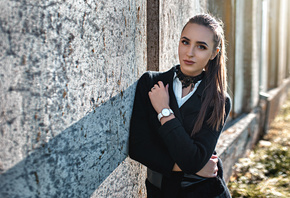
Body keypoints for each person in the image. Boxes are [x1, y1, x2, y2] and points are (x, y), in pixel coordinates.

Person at [129, 14, 232, 198]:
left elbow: (194, 159)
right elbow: (138, 148)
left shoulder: (219, 100)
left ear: (214, 53)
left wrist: (164, 111)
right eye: (185, 42)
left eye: (201, 46)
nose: (189, 52)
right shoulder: (151, 83)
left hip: (205, 192)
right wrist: (182, 166)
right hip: (160, 191)